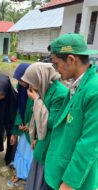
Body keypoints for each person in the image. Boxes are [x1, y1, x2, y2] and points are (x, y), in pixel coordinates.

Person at [45, 33, 98, 190]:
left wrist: (69, 184)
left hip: (71, 181)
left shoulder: (94, 90)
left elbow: (90, 144)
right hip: (59, 170)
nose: (55, 70)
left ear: (71, 59)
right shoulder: (77, 85)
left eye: (56, 64)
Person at [21, 63, 68, 190]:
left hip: (50, 146)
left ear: (41, 78)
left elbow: (52, 122)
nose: (30, 87)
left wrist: (37, 100)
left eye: (32, 82)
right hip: (43, 142)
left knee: (44, 177)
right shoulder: (44, 88)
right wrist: (35, 137)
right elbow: (37, 118)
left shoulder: (60, 93)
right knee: (37, 174)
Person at [7, 63, 34, 187]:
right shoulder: (21, 87)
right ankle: (20, 172)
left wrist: (31, 125)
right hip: (23, 127)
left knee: (29, 153)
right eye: (18, 79)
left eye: (21, 79)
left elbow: (39, 111)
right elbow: (19, 107)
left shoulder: (36, 89)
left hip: (33, 129)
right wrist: (19, 124)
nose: (19, 82)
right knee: (21, 149)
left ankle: (27, 175)